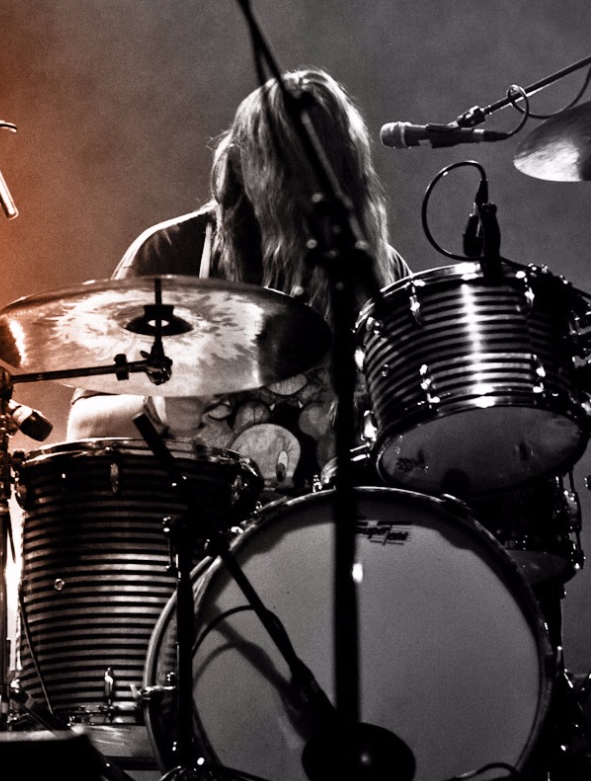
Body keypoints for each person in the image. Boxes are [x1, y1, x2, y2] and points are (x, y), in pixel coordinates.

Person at [68, 68, 407, 494]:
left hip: (338, 523)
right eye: (288, 172)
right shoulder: (172, 255)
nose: (308, 193)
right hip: (202, 525)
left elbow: (414, 434)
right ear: (242, 164)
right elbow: (82, 427)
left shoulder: (377, 272)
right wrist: (157, 408)